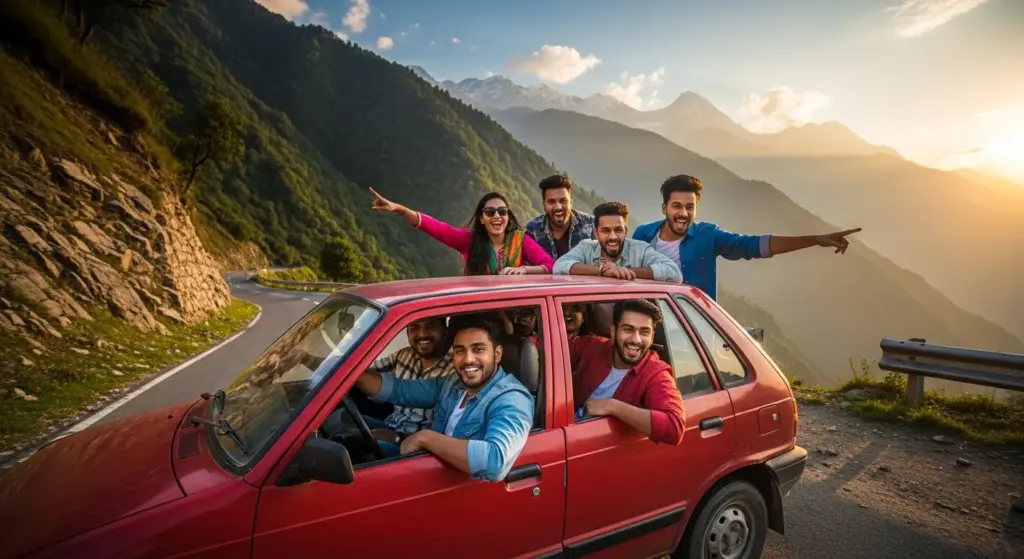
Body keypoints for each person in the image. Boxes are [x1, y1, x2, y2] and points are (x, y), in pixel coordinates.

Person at [355, 315, 535, 482]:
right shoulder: (453, 383)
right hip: (429, 469)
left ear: (497, 354)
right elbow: (399, 390)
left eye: (478, 349)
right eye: (460, 351)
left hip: (454, 488)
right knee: (353, 446)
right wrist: (350, 372)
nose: (468, 359)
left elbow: (495, 462)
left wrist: (425, 438)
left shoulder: (512, 398)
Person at [632, 175, 862, 300]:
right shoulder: (643, 235)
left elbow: (753, 245)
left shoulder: (708, 236)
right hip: (647, 325)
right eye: (677, 206)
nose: (683, 213)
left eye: (690, 207)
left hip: (692, 331)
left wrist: (815, 239)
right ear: (664, 208)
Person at [322, 317, 455, 456]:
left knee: (347, 450)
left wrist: (398, 437)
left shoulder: (455, 372)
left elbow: (445, 436)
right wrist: (323, 364)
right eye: (414, 327)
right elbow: (365, 371)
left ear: (444, 329)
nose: (422, 334)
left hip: (415, 448)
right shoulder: (405, 355)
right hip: (391, 425)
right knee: (339, 419)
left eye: (430, 325)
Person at [569, 299, 684, 445]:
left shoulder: (656, 373)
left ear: (652, 337)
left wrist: (611, 406)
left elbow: (674, 427)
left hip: (598, 449)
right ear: (613, 332)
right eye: (628, 330)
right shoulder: (592, 346)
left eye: (644, 332)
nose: (636, 340)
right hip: (562, 437)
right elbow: (546, 351)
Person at [370, 188, 554, 276]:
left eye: (502, 211)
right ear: (481, 218)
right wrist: (399, 209)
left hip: (513, 315)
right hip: (477, 312)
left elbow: (550, 265)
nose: (497, 216)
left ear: (508, 216)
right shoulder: (469, 241)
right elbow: (436, 228)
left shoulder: (520, 241)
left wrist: (523, 270)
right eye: (490, 212)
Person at [553, 201, 682, 283]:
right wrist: (601, 270)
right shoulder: (586, 247)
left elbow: (674, 272)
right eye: (605, 230)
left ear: (625, 231)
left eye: (618, 230)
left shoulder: (641, 250)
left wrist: (624, 271)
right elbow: (559, 266)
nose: (613, 236)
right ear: (596, 233)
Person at [524, 174, 596, 259]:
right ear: (544, 205)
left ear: (571, 203)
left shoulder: (592, 225)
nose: (558, 207)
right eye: (551, 202)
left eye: (563, 201)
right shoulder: (532, 230)